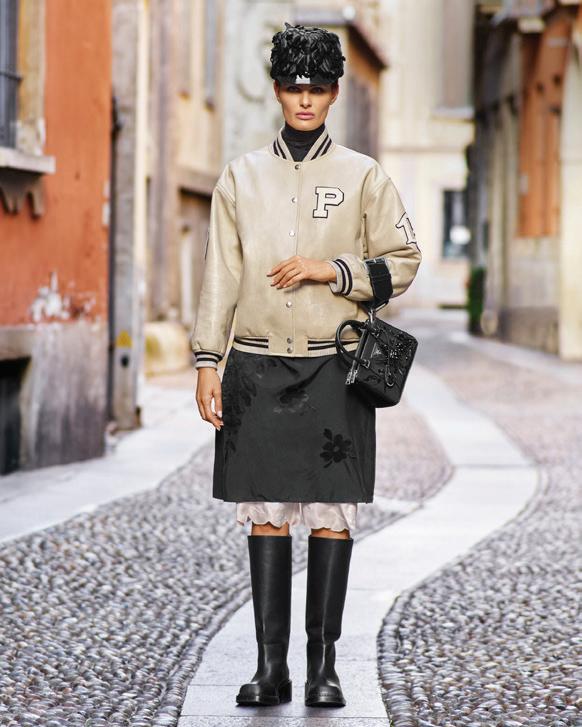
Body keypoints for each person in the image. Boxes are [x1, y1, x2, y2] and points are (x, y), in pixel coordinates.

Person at [190, 22, 421, 709]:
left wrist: (333, 270)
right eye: (294, 88)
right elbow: (220, 274)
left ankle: (324, 668)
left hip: (333, 371)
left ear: (334, 93)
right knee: (265, 514)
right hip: (255, 370)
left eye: (317, 88)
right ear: (275, 91)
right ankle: (271, 668)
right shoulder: (240, 177)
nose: (305, 99)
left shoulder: (363, 176)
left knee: (330, 514)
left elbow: (405, 260)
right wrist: (207, 359)